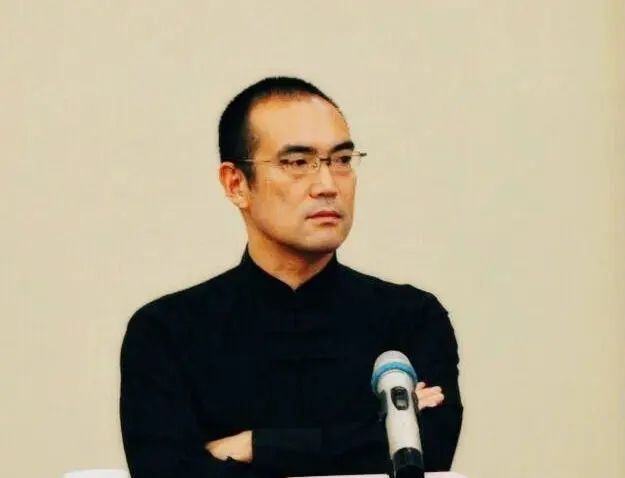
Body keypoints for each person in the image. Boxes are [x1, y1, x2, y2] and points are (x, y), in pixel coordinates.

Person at [120, 76, 462, 478]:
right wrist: (362, 441)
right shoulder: (167, 332)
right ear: (236, 184)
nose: (327, 185)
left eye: (342, 160)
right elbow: (165, 472)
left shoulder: (410, 319)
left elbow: (424, 456)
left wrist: (254, 446)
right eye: (298, 163)